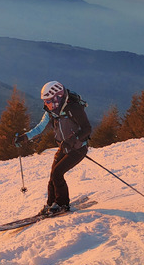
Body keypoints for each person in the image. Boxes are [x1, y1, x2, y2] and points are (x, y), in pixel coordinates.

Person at [14, 81, 92, 215]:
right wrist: (24, 137)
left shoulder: (73, 108)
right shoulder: (51, 112)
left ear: (58, 97)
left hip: (78, 148)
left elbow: (87, 129)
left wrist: (72, 140)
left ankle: (62, 204)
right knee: (53, 175)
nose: (46, 104)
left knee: (57, 173)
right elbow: (39, 128)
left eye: (48, 101)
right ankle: (51, 204)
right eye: (45, 101)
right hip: (64, 148)